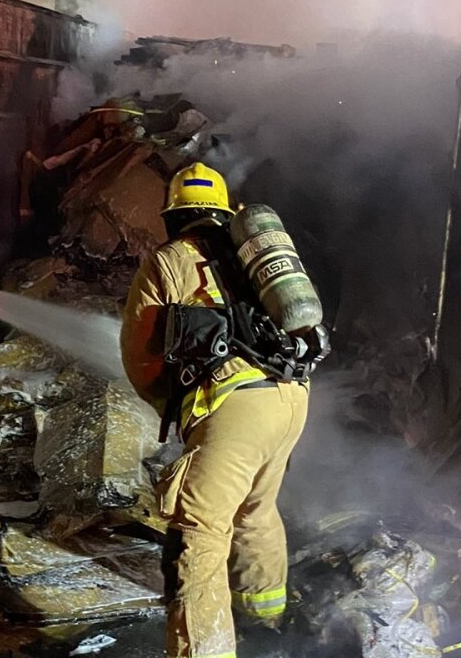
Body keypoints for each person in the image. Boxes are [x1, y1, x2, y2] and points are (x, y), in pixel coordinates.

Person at [120, 163, 313, 657]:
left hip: (235, 408)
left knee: (199, 535)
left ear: (172, 216)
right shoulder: (251, 256)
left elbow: (141, 353)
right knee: (255, 507)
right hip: (291, 395)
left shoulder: (168, 260)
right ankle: (265, 616)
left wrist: (174, 404)